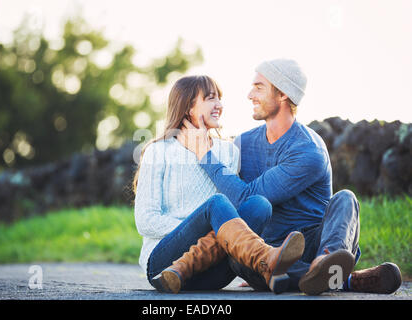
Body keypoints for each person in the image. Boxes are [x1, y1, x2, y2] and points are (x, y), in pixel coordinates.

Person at [177, 59, 402, 295]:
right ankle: (339, 279)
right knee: (237, 260)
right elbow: (231, 196)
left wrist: (205, 155)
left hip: (313, 244)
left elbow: (247, 196)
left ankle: (326, 262)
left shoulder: (308, 150)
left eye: (259, 87)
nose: (250, 94)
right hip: (268, 253)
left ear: (283, 93)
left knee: (345, 198)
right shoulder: (243, 142)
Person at [133, 75, 305, 295]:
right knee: (216, 204)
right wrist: (201, 227)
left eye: (220, 99)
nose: (219, 105)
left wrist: (206, 155)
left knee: (259, 205)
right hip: (162, 266)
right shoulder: (160, 151)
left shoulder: (228, 152)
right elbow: (146, 221)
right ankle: (266, 258)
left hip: (211, 273)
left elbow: (235, 212)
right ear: (188, 107)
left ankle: (265, 261)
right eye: (210, 98)